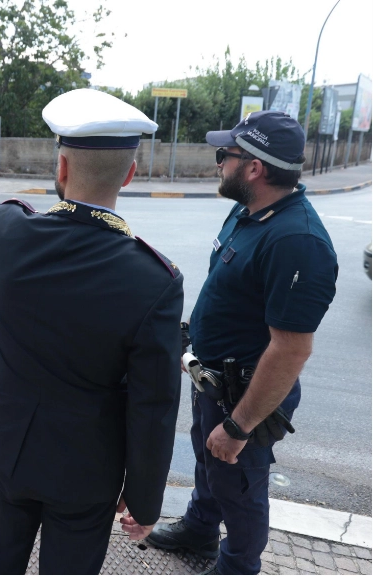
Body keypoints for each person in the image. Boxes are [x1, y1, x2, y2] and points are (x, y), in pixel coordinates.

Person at [0, 88, 184, 575]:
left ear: (60, 168)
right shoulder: (155, 281)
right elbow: (154, 407)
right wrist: (144, 503)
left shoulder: (11, 235)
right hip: (87, 470)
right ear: (130, 173)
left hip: (7, 448)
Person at [146, 111, 337, 575]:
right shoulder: (248, 210)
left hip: (247, 396)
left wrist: (238, 427)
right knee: (208, 462)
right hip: (214, 379)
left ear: (254, 167)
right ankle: (200, 529)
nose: (218, 164)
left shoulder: (299, 242)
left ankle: (237, 566)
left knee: (239, 483)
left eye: (224, 155)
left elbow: (291, 350)